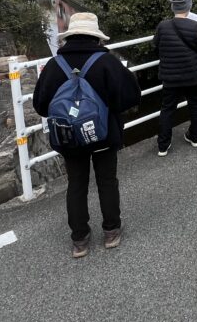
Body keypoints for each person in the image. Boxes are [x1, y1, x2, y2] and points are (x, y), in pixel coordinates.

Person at [32, 13, 141, 258]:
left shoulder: (53, 66)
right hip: (103, 136)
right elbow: (131, 97)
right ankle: (111, 231)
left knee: (77, 184)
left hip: (69, 139)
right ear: (96, 37)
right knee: (107, 181)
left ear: (69, 37)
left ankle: (79, 239)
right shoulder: (107, 62)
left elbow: (40, 105)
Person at [153, 0, 197, 157]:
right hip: (194, 75)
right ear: (189, 7)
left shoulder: (162, 26)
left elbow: (155, 46)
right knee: (196, 105)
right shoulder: (195, 26)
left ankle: (163, 145)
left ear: (173, 7)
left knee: (167, 109)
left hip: (170, 77)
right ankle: (195, 137)